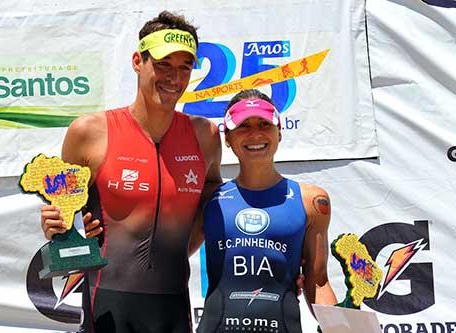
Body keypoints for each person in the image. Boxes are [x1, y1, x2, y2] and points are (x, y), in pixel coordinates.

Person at [40, 11, 222, 333]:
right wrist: (56, 227)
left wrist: (181, 244)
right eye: (163, 64)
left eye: (184, 67)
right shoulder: (90, 133)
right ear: (138, 61)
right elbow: (63, 221)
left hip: (174, 309)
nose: (173, 78)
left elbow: (211, 197)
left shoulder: (205, 136)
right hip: (106, 308)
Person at [196, 89, 337, 333]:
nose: (255, 134)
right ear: (227, 138)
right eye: (243, 126)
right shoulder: (208, 198)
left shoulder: (312, 201)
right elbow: (168, 255)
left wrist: (342, 328)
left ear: (279, 132)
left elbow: (318, 281)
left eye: (264, 123)